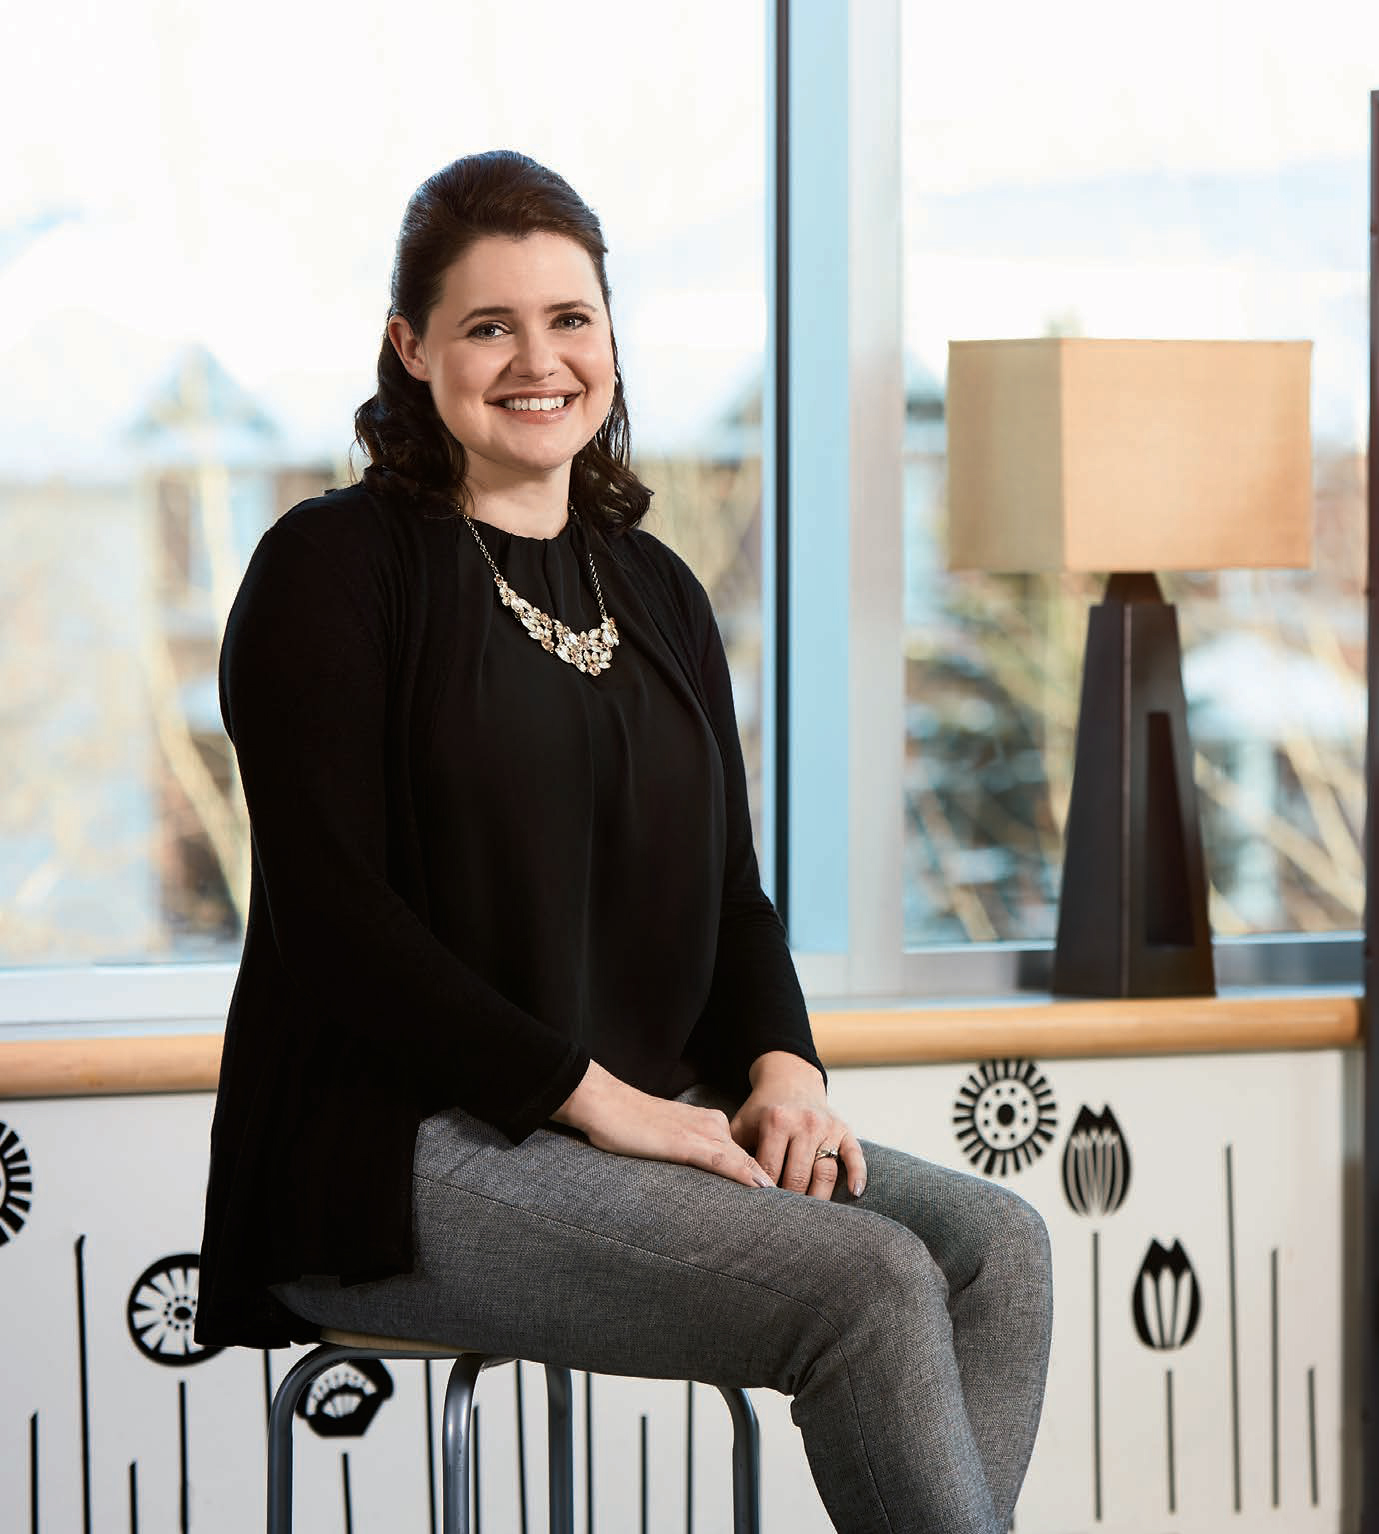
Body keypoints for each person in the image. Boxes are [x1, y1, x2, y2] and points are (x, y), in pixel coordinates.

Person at [196, 150, 1052, 1533]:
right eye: (489, 325)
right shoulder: (331, 566)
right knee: (867, 1280)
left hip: (642, 1126)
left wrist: (780, 1064)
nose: (539, 360)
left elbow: (725, 890)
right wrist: (601, 1098)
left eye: (570, 318)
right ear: (411, 348)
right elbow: (337, 918)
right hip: (389, 1153)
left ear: (608, 336)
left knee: (989, 1248)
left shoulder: (651, 586)